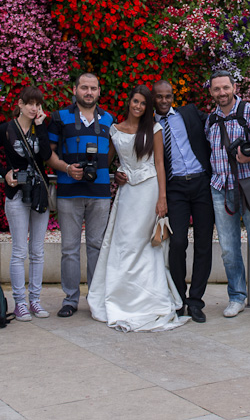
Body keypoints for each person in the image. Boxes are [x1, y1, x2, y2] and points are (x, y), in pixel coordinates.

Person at [87, 86, 188, 331]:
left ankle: (148, 299)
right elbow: (110, 162)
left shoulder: (153, 128)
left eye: (143, 103)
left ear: (147, 107)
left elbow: (160, 165)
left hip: (149, 190)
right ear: (129, 102)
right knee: (123, 243)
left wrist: (162, 198)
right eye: (135, 101)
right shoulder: (115, 130)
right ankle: (123, 297)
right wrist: (117, 175)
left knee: (144, 245)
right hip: (127, 193)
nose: (138, 106)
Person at [205, 70, 250, 321]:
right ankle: (236, 296)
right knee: (228, 248)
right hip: (220, 188)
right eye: (216, 89)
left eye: (225, 87)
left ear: (234, 86)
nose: (222, 93)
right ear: (211, 92)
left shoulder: (249, 112)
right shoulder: (211, 119)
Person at [48, 73, 114, 318]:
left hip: (99, 192)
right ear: (74, 89)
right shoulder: (59, 118)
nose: (89, 92)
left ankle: (96, 298)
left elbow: (112, 153)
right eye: (84, 88)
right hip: (68, 191)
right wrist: (67, 168)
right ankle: (70, 299)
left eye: (93, 88)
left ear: (99, 91)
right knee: (69, 248)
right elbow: (50, 153)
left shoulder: (109, 119)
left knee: (97, 246)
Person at [0, 86, 57, 321]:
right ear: (20, 104)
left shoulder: (40, 128)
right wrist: (5, 172)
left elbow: (46, 155)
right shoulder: (6, 129)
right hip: (17, 194)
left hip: (39, 193)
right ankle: (20, 302)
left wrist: (42, 126)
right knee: (19, 251)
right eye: (30, 103)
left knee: (37, 251)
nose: (34, 108)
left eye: (38, 104)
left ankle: (35, 300)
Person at [151, 79, 214, 323]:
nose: (164, 100)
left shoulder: (190, 113)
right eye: (159, 96)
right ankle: (178, 299)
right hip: (174, 187)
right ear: (153, 98)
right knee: (177, 244)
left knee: (203, 244)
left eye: (168, 96)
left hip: (201, 184)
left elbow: (218, 123)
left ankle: (196, 301)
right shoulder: (150, 125)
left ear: (173, 96)